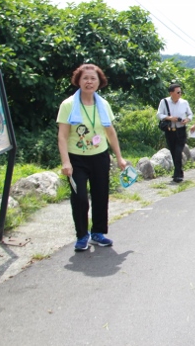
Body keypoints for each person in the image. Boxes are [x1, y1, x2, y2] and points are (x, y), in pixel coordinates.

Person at [57, 63, 127, 251]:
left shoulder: (103, 104)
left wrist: (119, 158)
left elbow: (111, 133)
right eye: (85, 78)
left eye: (93, 78)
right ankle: (81, 235)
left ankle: (98, 232)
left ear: (99, 82)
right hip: (76, 158)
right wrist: (65, 161)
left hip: (100, 156)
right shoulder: (68, 105)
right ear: (78, 81)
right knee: (79, 197)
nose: (89, 82)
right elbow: (62, 136)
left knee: (100, 195)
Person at [157, 83, 193, 183]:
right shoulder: (164, 102)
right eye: (177, 92)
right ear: (171, 93)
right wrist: (170, 118)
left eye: (180, 92)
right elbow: (159, 114)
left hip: (181, 130)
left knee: (178, 152)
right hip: (170, 130)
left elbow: (190, 114)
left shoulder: (184, 102)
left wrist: (187, 120)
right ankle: (178, 172)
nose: (179, 94)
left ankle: (178, 174)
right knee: (173, 152)